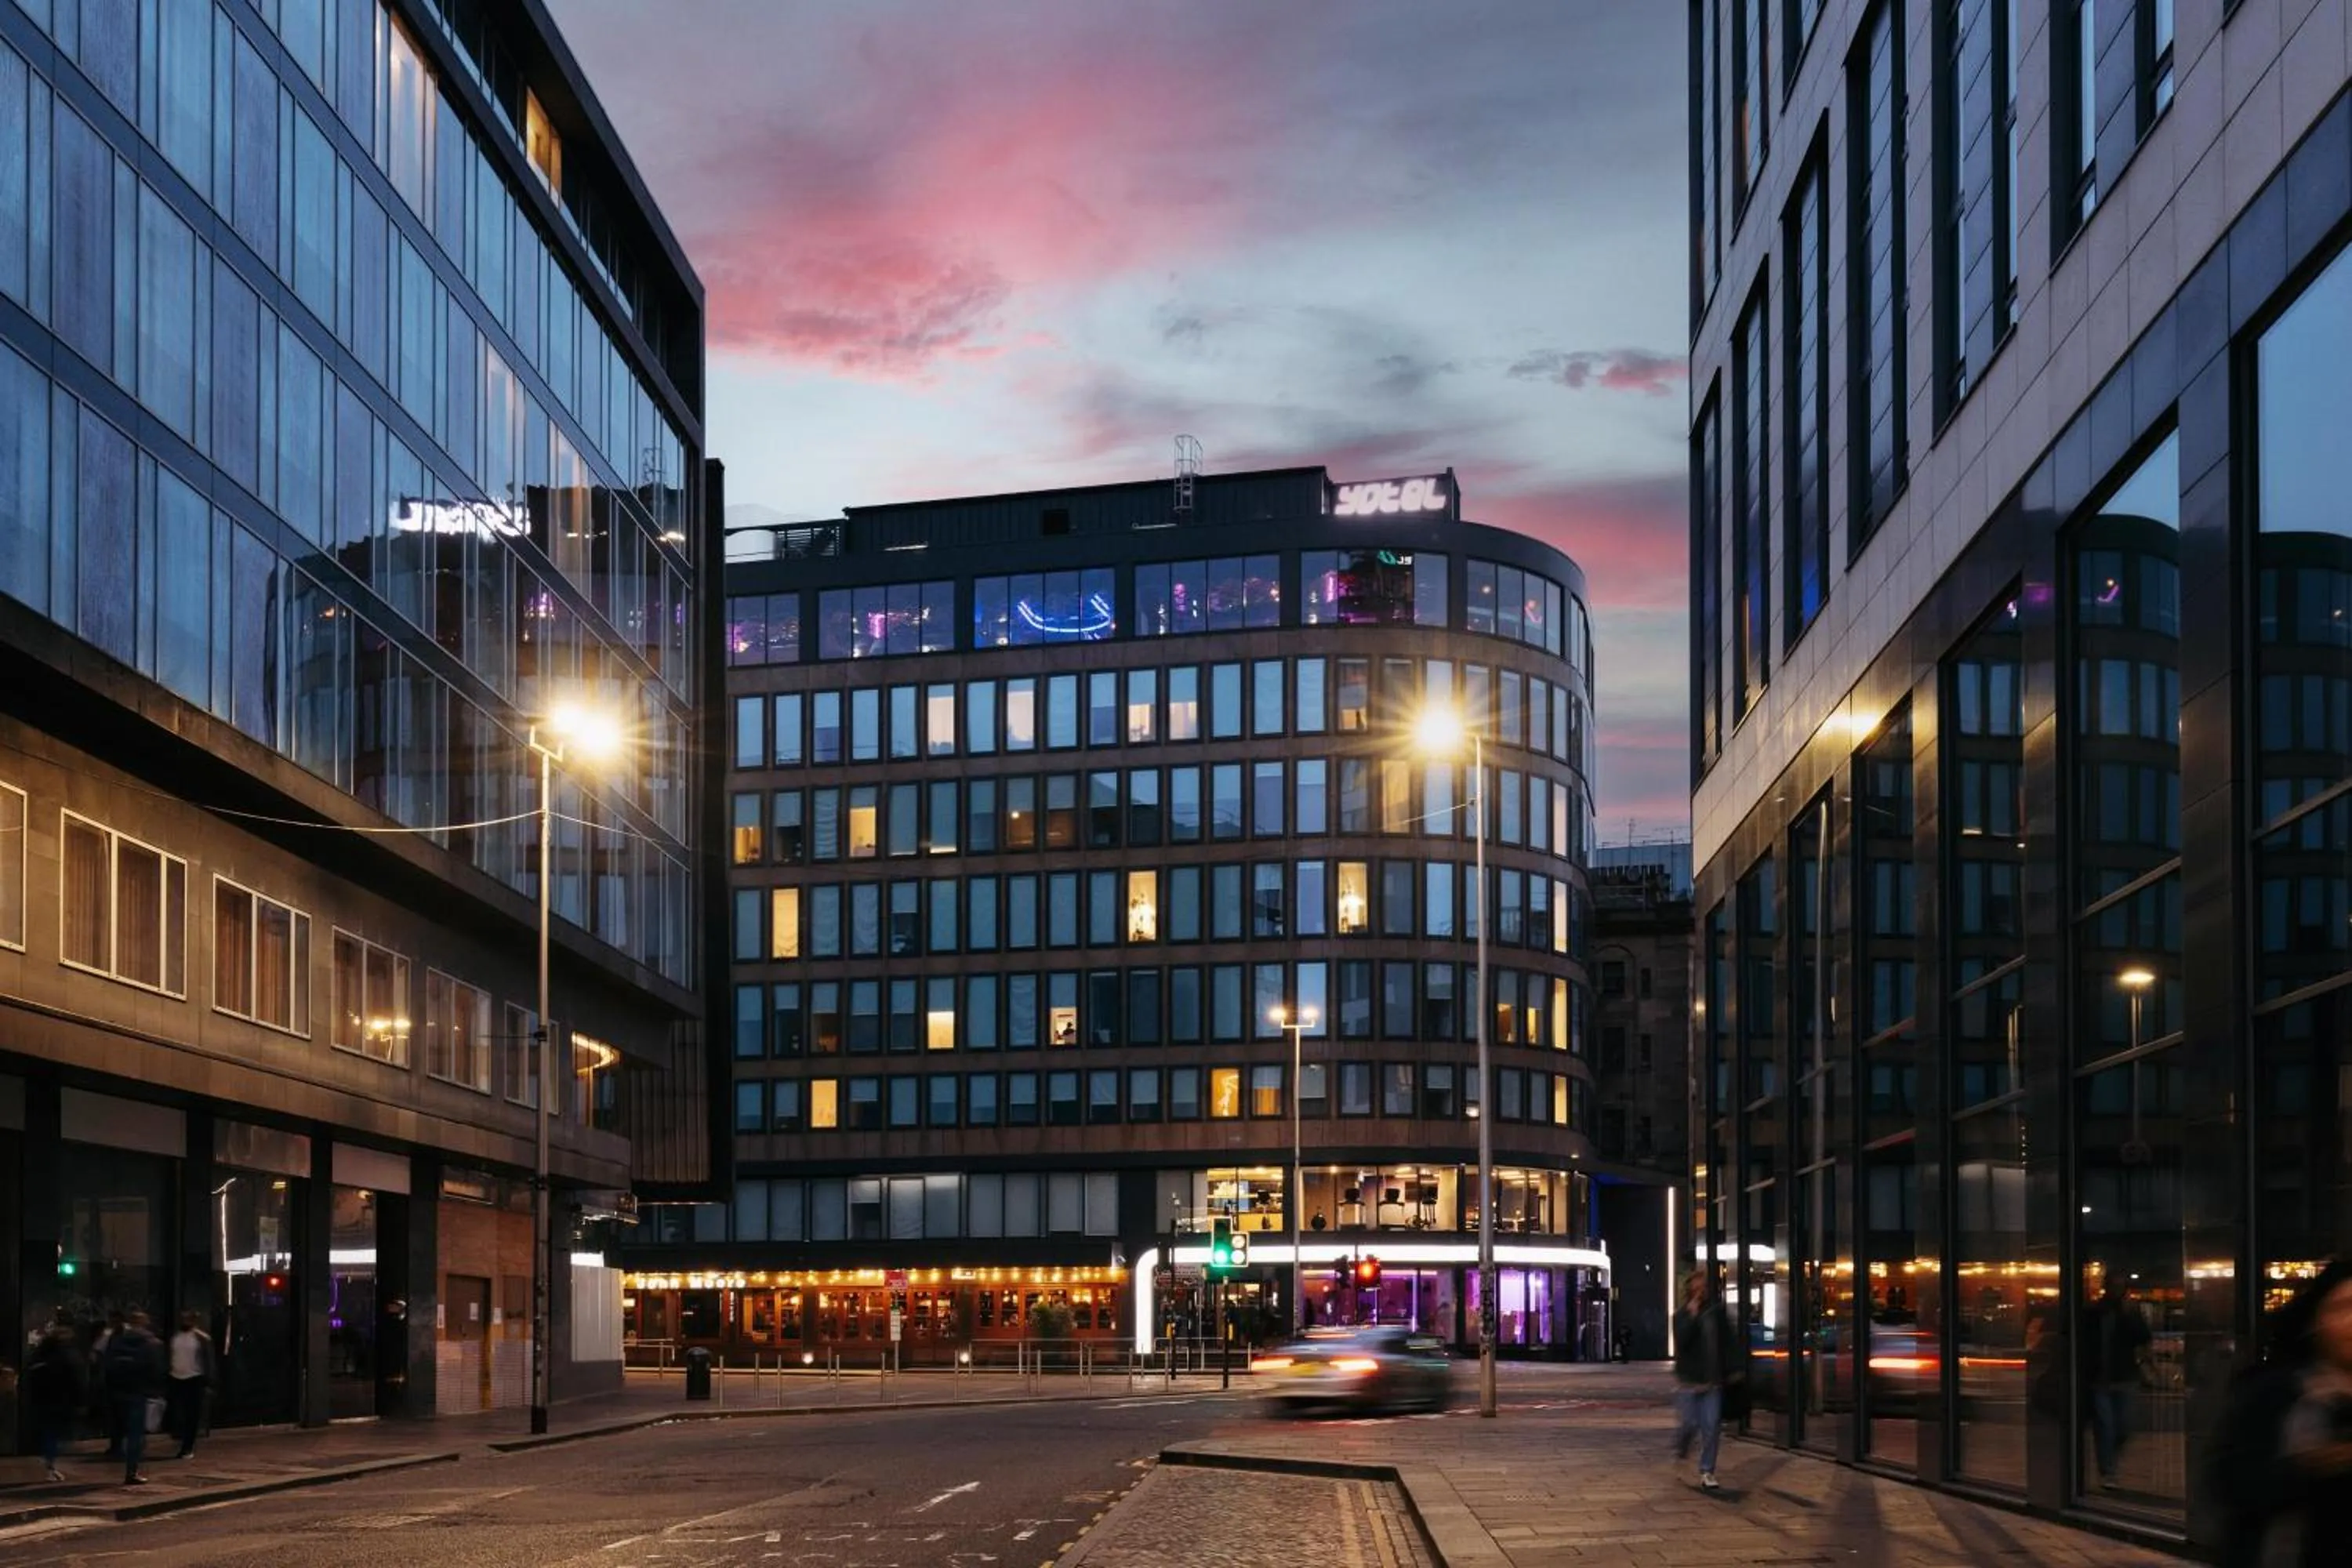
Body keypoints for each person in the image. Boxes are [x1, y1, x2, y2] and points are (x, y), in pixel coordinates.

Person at [2214, 1258, 2352, 1568]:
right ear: (2317, 1319)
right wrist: (2316, 1463)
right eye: (2343, 1307)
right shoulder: (2276, 1393)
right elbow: (2232, 1483)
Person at [2082, 1274, 2153, 1490]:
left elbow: (2143, 1337)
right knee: (2106, 1426)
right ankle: (2108, 1470)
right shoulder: (2095, 1312)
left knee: (2123, 1426)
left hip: (2123, 1376)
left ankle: (2109, 1462)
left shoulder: (2128, 1312)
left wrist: (2130, 1315)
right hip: (2101, 1379)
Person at [1671, 1270, 1737, 1491]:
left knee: (1711, 1427)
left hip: (1712, 1381)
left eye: (1704, 1288)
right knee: (1689, 1424)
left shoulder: (1716, 1313)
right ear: (1689, 1290)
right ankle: (1682, 1449)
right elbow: (1682, 1342)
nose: (1700, 1292)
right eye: (1696, 1288)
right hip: (1688, 1382)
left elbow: (1729, 1341)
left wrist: (1734, 1368)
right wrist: (1691, 1316)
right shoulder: (1681, 1315)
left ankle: (1707, 1470)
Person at [100, 1311, 163, 1486]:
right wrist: (155, 1390)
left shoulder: (117, 1341)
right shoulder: (151, 1343)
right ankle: (131, 1471)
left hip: (117, 1392)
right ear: (145, 1323)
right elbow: (157, 1370)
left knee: (121, 1428)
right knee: (136, 1434)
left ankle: (118, 1451)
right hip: (138, 1393)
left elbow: (107, 1365)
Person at [23, 1323, 82, 1483]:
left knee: (49, 1432)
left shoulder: (39, 1354)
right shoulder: (68, 1355)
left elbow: (30, 1376)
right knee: (57, 1434)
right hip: (61, 1400)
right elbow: (76, 1379)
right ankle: (50, 1465)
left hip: (42, 1399)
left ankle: (49, 1464)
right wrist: (80, 1400)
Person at [165, 1311, 214, 1460]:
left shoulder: (201, 1338)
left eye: (189, 1319)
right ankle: (180, 1438)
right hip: (176, 1377)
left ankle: (188, 1446)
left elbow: (209, 1361)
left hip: (194, 1378)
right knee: (179, 1412)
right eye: (184, 1319)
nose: (186, 1321)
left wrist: (208, 1381)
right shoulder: (176, 1337)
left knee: (192, 1414)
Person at [91, 1309, 125, 1460]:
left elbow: (96, 1354)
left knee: (118, 1414)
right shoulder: (109, 1335)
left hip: (118, 1379)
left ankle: (119, 1444)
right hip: (114, 1379)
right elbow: (96, 1353)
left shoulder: (115, 1335)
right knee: (116, 1414)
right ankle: (117, 1444)